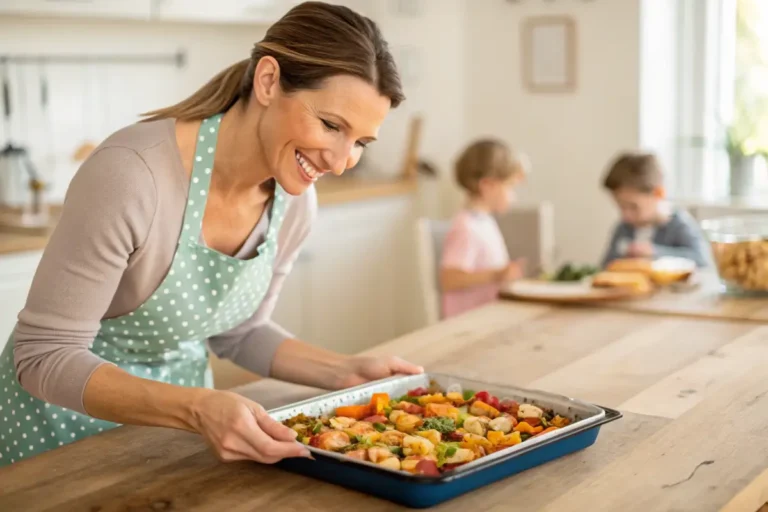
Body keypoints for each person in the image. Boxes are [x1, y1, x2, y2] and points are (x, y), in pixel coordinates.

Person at [0, 1, 424, 467]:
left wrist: (343, 370)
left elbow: (239, 332)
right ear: (268, 81)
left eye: (360, 142)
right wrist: (197, 407)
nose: (342, 161)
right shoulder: (133, 176)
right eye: (331, 125)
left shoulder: (295, 201)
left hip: (169, 439)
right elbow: (43, 356)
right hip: (56, 439)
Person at [440, 139, 529, 318]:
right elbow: (449, 279)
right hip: (466, 326)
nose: (514, 197)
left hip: (485, 319)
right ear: (488, 186)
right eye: (510, 186)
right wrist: (496, 275)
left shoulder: (484, 221)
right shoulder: (467, 227)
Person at [601, 152, 712, 268]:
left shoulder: (679, 225)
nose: (626, 215)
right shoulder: (623, 228)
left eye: (633, 207)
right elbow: (605, 266)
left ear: (658, 194)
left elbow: (701, 260)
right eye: (621, 207)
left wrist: (654, 252)